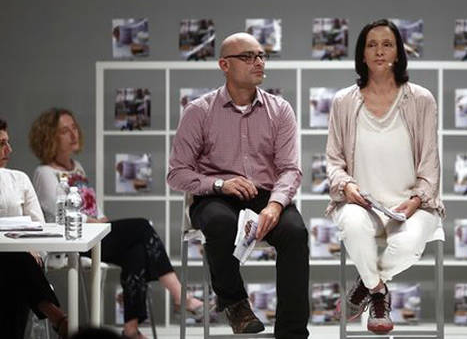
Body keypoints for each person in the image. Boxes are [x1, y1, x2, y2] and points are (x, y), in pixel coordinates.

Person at [167, 32, 309, 339]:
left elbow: (290, 169)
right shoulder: (199, 111)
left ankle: (293, 332)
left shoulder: (280, 109)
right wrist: (220, 183)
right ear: (224, 65)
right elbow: (176, 173)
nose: (258, 62)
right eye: (247, 56)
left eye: (260, 56)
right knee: (220, 223)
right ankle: (234, 304)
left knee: (296, 233)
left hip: (266, 195)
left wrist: (275, 205)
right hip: (217, 194)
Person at [29, 108, 203, 339]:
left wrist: (99, 219)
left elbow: (91, 205)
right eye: (64, 130)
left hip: (94, 234)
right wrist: (95, 221)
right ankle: (179, 294)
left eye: (73, 127)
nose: (73, 134)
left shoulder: (76, 167)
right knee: (141, 226)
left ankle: (130, 329)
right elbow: (60, 214)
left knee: (137, 251)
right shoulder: (44, 172)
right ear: (48, 137)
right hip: (72, 240)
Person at [326, 19, 444, 334]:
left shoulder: (421, 99)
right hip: (361, 203)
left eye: (387, 44)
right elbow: (333, 161)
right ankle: (379, 293)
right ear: (361, 54)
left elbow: (431, 163)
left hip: (412, 204)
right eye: (371, 44)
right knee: (352, 224)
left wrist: (417, 199)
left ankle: (367, 286)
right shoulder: (343, 101)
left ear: (399, 53)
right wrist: (347, 186)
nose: (379, 51)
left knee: (407, 246)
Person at [0, 118, 68, 339]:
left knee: (15, 262)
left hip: (21, 260)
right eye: (1, 144)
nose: (9, 149)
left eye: (8, 142)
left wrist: (34, 251)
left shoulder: (18, 179)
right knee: (14, 259)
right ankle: (58, 317)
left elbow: (38, 226)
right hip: (17, 259)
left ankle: (58, 318)